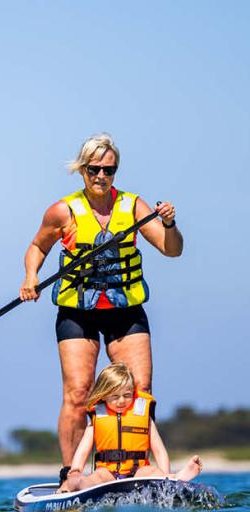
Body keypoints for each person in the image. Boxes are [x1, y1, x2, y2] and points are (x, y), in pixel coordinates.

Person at [20, 133, 184, 486]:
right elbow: (37, 247)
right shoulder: (62, 211)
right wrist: (30, 276)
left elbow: (173, 250)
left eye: (108, 169)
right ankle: (71, 474)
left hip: (125, 310)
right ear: (82, 169)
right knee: (78, 393)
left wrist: (169, 224)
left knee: (139, 390)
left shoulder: (134, 206)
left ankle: (136, 468)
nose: (101, 176)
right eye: (94, 169)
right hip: (78, 312)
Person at [58, 363, 202, 493]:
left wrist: (165, 474)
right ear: (104, 396)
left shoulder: (143, 417)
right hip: (108, 474)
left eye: (127, 395)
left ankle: (173, 478)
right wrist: (76, 470)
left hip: (137, 472)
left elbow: (159, 450)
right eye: (115, 396)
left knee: (150, 471)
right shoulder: (98, 418)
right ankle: (75, 484)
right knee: (94, 477)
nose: (121, 401)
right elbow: (83, 450)